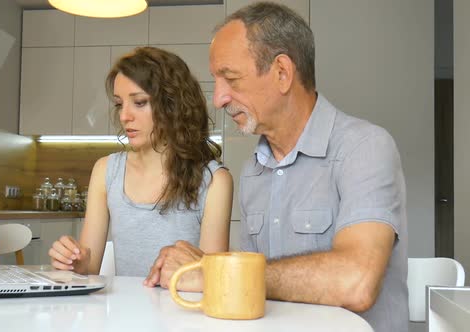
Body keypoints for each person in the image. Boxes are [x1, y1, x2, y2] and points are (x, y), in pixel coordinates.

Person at [143, 2, 408, 331]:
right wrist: (201, 268)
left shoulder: (364, 147)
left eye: (231, 79)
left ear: (282, 72)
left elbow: (356, 281)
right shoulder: (254, 170)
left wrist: (214, 272)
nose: (219, 99)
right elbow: (256, 295)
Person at [48, 47, 233, 279]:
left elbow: (213, 278)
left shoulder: (214, 181)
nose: (124, 116)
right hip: (124, 313)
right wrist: (74, 261)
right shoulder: (106, 170)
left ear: (173, 105)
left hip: (182, 312)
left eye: (139, 102)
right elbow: (90, 266)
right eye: (119, 104)